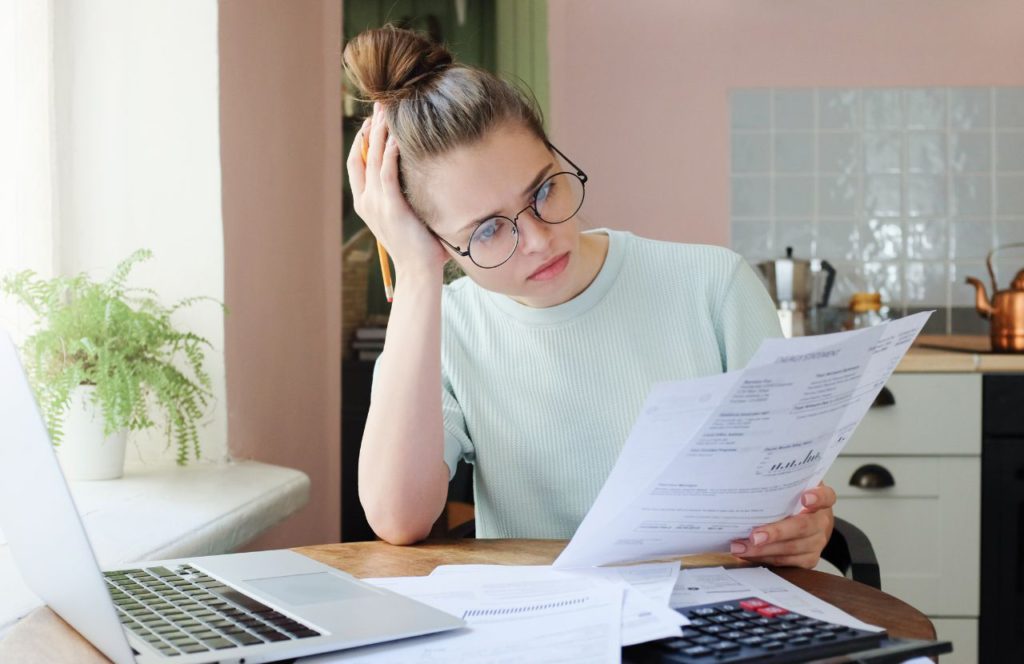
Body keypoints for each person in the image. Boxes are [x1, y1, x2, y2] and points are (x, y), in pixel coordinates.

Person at [343, 25, 836, 569]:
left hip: (716, 613)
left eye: (544, 189)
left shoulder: (714, 286)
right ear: (441, 244)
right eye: (487, 231)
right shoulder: (447, 329)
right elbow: (397, 518)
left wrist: (803, 529)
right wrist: (415, 274)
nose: (537, 239)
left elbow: (791, 504)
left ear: (557, 156)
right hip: (548, 628)